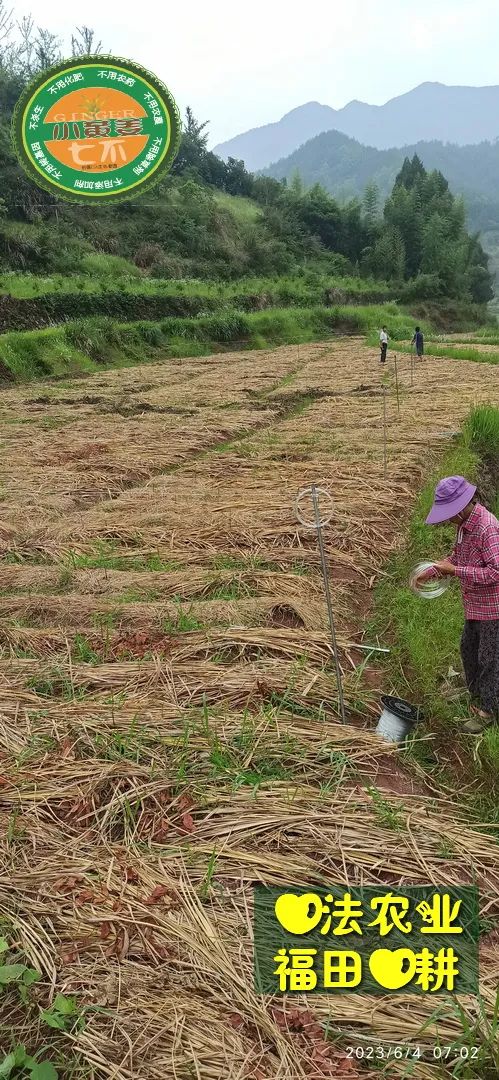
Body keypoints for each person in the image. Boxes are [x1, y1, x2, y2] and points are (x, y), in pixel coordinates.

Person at [415, 476, 499, 733]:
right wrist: (435, 571)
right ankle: (475, 692)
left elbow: (496, 571)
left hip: (493, 609)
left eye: (450, 513)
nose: (448, 518)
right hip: (474, 605)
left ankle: (489, 709)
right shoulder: (464, 526)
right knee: (468, 648)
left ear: (462, 506)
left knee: (490, 659)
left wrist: (456, 571)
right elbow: (457, 557)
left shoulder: (487, 528)